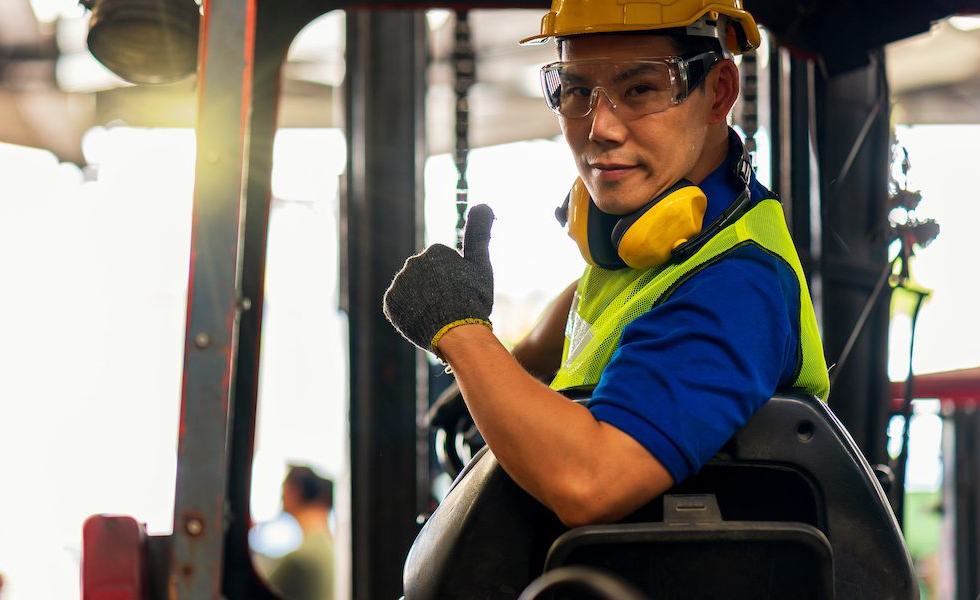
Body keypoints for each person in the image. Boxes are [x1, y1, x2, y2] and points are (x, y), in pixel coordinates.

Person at [383, 0, 830, 528]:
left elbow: (591, 482)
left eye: (640, 90)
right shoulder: (664, 248)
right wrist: (504, 376)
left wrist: (462, 338)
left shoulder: (736, 287)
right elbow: (607, 306)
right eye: (576, 91)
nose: (600, 128)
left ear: (720, 93)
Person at [267, 465, 334, 600]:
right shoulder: (325, 542)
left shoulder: (300, 558)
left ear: (296, 490)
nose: (281, 495)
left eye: (284, 487)